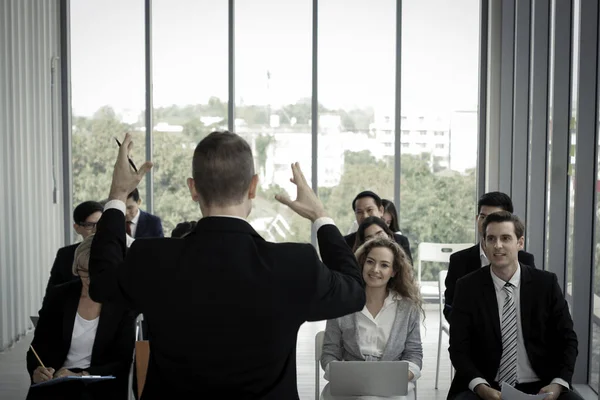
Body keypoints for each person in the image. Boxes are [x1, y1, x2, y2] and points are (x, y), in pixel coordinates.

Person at [88, 131, 366, 399]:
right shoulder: (295, 263)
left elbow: (101, 282)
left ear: (193, 188)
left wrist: (118, 194)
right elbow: (354, 289)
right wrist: (320, 215)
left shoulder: (151, 257)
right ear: (253, 186)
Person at [448, 211, 580, 400]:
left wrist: (558, 383)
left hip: (542, 385)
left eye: (505, 238)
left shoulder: (546, 284)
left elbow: (568, 340)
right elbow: (458, 348)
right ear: (484, 244)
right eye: (491, 239)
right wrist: (480, 386)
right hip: (487, 385)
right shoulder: (467, 287)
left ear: (520, 242)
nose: (497, 245)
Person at [27, 235, 136, 400]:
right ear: (76, 268)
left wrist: (81, 375)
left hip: (99, 387)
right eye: (84, 272)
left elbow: (123, 359)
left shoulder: (122, 303)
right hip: (55, 382)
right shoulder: (59, 295)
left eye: (97, 273)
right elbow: (37, 347)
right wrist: (37, 370)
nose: (90, 280)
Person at [320, 237, 423, 400]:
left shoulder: (407, 308)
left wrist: (399, 377)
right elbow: (329, 352)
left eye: (384, 265)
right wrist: (341, 375)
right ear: (362, 263)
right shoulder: (342, 304)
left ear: (393, 272)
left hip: (391, 388)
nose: (375, 269)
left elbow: (414, 354)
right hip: (350, 385)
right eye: (370, 262)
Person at [443, 192, 535, 323]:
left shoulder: (525, 260)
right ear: (476, 219)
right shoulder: (459, 261)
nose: (486, 222)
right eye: (483, 217)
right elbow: (450, 307)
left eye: (493, 217)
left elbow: (532, 305)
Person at [45, 201, 104, 294]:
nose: (96, 229)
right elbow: (52, 293)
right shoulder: (65, 255)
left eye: (100, 224)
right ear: (77, 228)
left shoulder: (119, 252)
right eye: (89, 225)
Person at [344, 191, 412, 263]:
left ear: (381, 211)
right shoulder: (346, 242)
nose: (365, 216)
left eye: (369, 210)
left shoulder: (400, 241)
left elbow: (408, 272)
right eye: (359, 212)